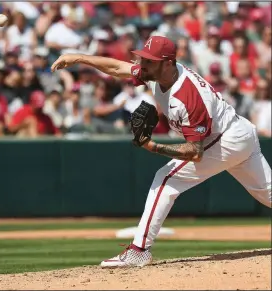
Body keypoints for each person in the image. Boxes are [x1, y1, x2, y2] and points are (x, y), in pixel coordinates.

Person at [51, 35, 271, 268]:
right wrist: (78, 58)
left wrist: (153, 146)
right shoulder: (155, 74)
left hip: (227, 139)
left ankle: (139, 251)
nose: (142, 65)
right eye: (143, 59)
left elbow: (195, 152)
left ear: (168, 62)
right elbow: (118, 68)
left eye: (149, 61)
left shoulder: (189, 95)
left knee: (165, 179)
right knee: (268, 193)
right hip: (238, 133)